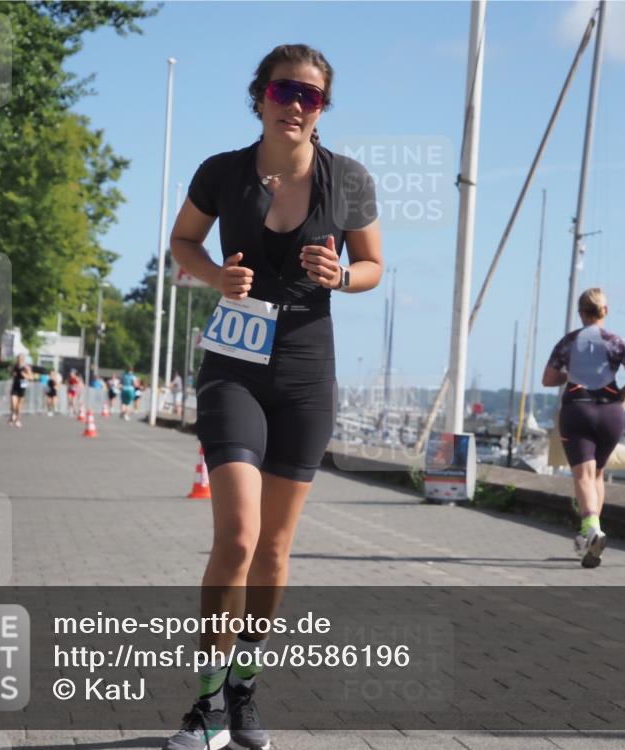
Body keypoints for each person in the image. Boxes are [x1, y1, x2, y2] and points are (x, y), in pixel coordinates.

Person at [164, 43, 382, 750]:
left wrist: (341, 276)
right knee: (238, 538)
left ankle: (244, 688)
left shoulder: (347, 180)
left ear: (322, 109)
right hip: (234, 366)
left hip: (305, 373)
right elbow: (183, 242)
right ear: (260, 95)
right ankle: (205, 703)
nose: (295, 104)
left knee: (276, 549)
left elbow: (374, 264)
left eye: (310, 96)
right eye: (284, 90)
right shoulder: (221, 172)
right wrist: (212, 277)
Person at [543, 288, 625, 569]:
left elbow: (548, 379)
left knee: (583, 476)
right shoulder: (617, 342)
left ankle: (591, 529)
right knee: (597, 474)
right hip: (611, 413)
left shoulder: (568, 342)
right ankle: (589, 538)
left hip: (578, 410)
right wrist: (621, 394)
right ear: (605, 311)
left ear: (580, 312)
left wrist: (569, 375)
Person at [8, 354, 33, 428]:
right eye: (19, 358)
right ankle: (12, 415)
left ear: (24, 359)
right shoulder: (15, 366)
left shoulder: (26, 367)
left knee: (19, 405)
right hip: (15, 385)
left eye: (21, 358)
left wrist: (24, 375)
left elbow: (31, 377)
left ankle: (18, 420)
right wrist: (12, 374)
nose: (20, 359)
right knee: (13, 404)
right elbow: (11, 374)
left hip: (22, 385)